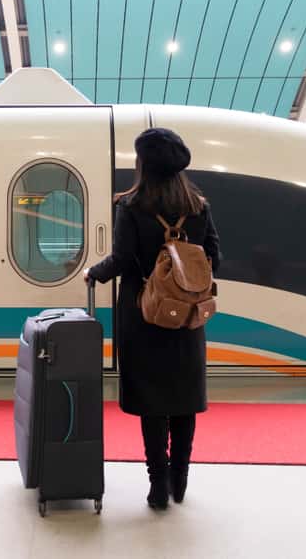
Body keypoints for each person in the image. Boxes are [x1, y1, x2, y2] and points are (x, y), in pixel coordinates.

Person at [85, 128, 221, 510]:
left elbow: (123, 259)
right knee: (183, 398)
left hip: (144, 316)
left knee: (153, 401)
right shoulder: (199, 206)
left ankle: (158, 485)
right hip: (188, 317)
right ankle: (181, 480)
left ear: (143, 163)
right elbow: (215, 258)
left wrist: (93, 273)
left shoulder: (131, 206)